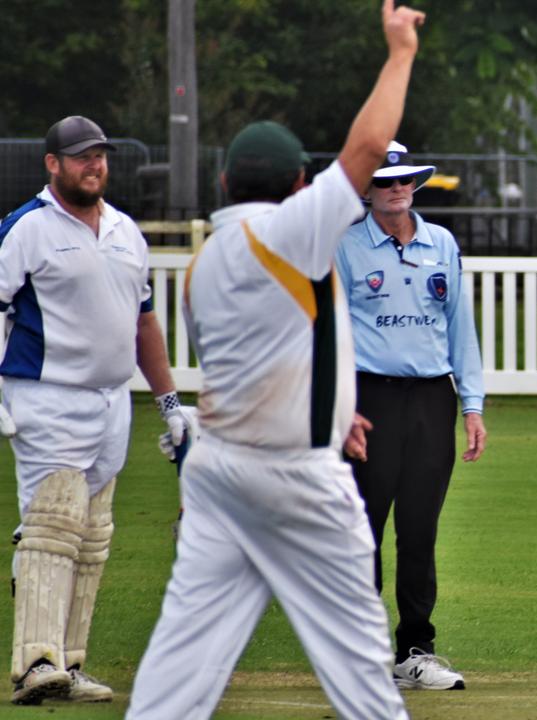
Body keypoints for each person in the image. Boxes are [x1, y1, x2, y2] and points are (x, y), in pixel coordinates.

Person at [125, 3, 424, 718]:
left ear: (224, 186)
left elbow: (284, 345)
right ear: (297, 186)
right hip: (293, 477)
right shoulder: (290, 231)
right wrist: (399, 52)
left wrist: (335, 410)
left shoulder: (206, 263)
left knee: (179, 670)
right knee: (361, 674)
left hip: (219, 471)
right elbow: (370, 145)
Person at [0, 115, 192, 705]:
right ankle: (35, 662)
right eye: (81, 156)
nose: (94, 165)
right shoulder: (25, 228)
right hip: (47, 393)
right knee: (54, 523)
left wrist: (170, 403)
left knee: (91, 535)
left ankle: (70, 662)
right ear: (52, 164)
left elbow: (143, 322)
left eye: (100, 155)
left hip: (112, 401)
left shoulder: (125, 231)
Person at [335, 140, 486, 690]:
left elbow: (460, 328)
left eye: (403, 180)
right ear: (367, 190)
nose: (395, 189)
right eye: (384, 181)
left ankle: (416, 650)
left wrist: (471, 405)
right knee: (363, 529)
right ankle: (360, 652)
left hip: (431, 398)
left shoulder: (440, 243)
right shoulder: (346, 246)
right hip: (368, 401)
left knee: (419, 530)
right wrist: (341, 406)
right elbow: (331, 334)